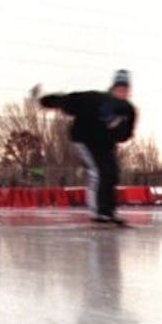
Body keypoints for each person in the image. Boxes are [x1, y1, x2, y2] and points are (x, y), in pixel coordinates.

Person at [33, 70, 136, 225]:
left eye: (125, 90)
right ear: (113, 88)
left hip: (105, 145)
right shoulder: (95, 99)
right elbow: (67, 101)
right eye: (119, 89)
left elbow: (125, 135)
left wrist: (118, 129)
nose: (122, 92)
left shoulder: (129, 110)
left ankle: (108, 211)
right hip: (83, 139)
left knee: (112, 173)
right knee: (98, 171)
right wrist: (44, 101)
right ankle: (98, 213)